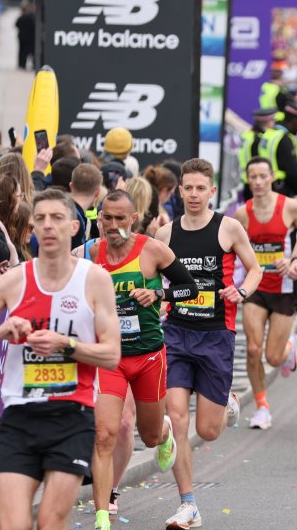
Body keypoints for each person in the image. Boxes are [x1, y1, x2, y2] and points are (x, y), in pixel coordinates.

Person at [0, 189, 120, 530]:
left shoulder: (94, 280)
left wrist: (66, 344)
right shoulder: (14, 281)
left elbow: (112, 355)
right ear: (31, 227)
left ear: (74, 226)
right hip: (19, 416)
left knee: (49, 520)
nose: (48, 226)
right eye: (40, 219)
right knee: (12, 524)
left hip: (72, 417)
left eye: (57, 218)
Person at [75, 190, 198, 530]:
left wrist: (158, 293)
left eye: (119, 219)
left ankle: (165, 431)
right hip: (110, 359)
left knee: (150, 434)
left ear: (133, 219)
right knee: (105, 435)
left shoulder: (153, 249)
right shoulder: (86, 253)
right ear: (98, 220)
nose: (112, 226)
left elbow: (190, 288)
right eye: (106, 219)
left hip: (147, 357)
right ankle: (103, 515)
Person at [154, 159, 263, 529]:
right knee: (179, 418)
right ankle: (189, 505)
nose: (195, 194)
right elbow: (154, 281)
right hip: (178, 335)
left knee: (208, 431)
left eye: (202, 188)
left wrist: (242, 289)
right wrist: (157, 298)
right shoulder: (166, 235)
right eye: (189, 188)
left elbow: (256, 267)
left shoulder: (228, 227)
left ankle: (227, 398)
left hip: (217, 334)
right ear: (180, 190)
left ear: (211, 191)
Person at [232, 157, 297, 431]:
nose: (259, 182)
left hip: (284, 288)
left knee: (273, 357)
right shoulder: (242, 214)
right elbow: (232, 246)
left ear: (272, 176)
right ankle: (262, 408)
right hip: (257, 288)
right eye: (253, 177)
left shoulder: (290, 207)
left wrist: (295, 260)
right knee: (253, 349)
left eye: (263, 176)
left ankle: (289, 348)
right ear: (248, 179)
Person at [237, 108, 297, 201]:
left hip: (249, 187)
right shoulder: (278, 138)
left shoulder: (246, 137)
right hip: (274, 188)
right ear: (270, 122)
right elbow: (291, 167)